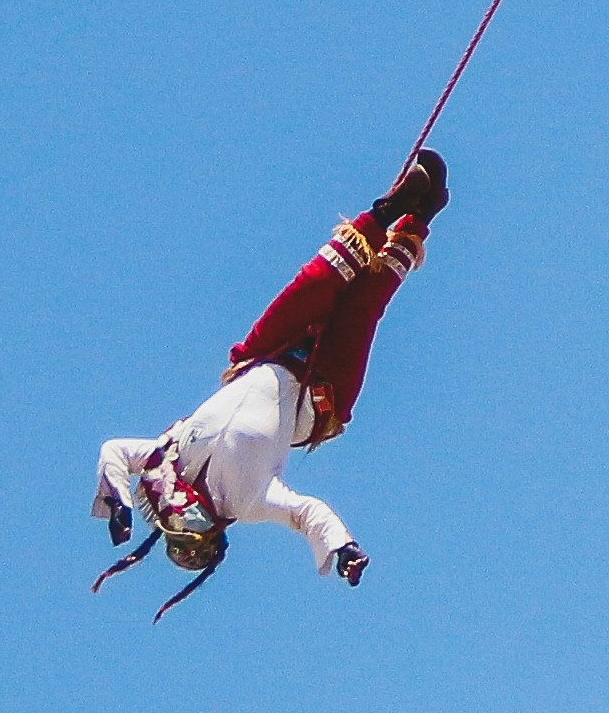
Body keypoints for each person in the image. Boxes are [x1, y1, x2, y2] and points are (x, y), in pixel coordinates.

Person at [92, 148, 447, 613]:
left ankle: (388, 209)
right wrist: (342, 549)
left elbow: (113, 451)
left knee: (317, 281)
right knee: (364, 304)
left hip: (262, 356)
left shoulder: (165, 459)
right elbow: (307, 514)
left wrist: (116, 500)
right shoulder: (250, 501)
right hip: (320, 393)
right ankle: (419, 216)